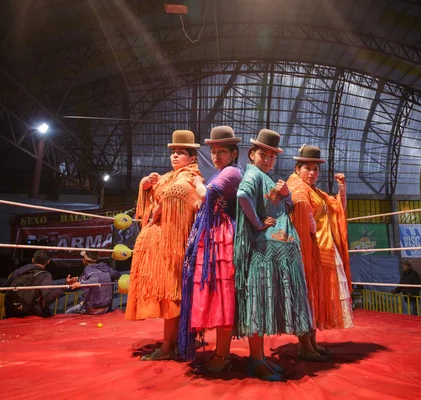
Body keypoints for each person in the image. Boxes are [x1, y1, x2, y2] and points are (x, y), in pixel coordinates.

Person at [234, 129, 313, 381]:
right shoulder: (253, 173)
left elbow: (286, 207)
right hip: (265, 250)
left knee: (264, 303)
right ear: (252, 154)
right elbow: (242, 195)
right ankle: (256, 361)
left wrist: (287, 195)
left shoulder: (267, 176)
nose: (268, 159)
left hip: (278, 250)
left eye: (272, 156)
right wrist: (257, 223)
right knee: (258, 303)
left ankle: (261, 359)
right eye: (263, 154)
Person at [125, 130, 202, 361]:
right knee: (171, 294)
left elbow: (177, 195)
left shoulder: (190, 176)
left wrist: (161, 206)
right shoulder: (170, 175)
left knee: (173, 294)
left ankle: (169, 346)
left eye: (181, 153)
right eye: (173, 152)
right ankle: (178, 341)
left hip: (174, 245)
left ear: (192, 157)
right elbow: (157, 196)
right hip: (159, 244)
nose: (175, 156)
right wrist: (146, 185)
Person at [177, 126, 242, 374]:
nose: (216, 156)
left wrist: (196, 181)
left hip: (221, 237)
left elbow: (206, 195)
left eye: (222, 151)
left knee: (222, 294)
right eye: (213, 151)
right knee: (215, 294)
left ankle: (223, 355)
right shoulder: (223, 172)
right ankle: (219, 353)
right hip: (212, 235)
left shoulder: (232, 172)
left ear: (233, 153)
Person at [286, 145, 353, 359]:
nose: (312, 173)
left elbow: (336, 208)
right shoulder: (296, 188)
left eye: (316, 169)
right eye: (307, 168)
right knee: (306, 297)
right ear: (297, 168)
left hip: (321, 249)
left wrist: (341, 187)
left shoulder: (315, 191)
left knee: (313, 298)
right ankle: (304, 345)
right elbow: (300, 212)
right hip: (306, 251)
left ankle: (311, 343)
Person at [2, 250, 76, 318]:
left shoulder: (18, 271)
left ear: (32, 260)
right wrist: (64, 286)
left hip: (11, 311)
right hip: (31, 314)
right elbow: (48, 296)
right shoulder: (45, 275)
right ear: (48, 262)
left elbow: (4, 288)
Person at [65, 250, 122, 315]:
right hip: (106, 306)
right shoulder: (105, 268)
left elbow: (94, 280)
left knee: (68, 313)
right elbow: (117, 274)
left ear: (85, 259)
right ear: (97, 258)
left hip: (93, 307)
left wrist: (80, 284)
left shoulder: (89, 269)